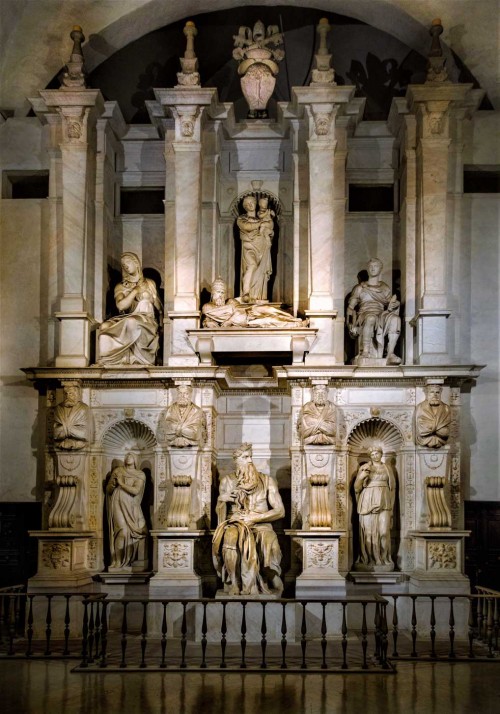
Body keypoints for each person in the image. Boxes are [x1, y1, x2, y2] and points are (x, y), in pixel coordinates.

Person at [212, 443, 284, 596]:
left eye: (251, 457)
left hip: (262, 524)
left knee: (270, 543)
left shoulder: (267, 481)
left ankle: (271, 578)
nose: (250, 460)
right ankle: (234, 583)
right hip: (236, 523)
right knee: (230, 537)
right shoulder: (227, 481)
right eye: (245, 457)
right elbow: (221, 514)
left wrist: (255, 517)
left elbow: (280, 511)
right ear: (236, 461)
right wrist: (222, 499)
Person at [98, 252, 162, 366]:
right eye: (123, 264)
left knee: (132, 323)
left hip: (146, 319)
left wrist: (161, 325)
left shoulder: (150, 283)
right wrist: (135, 290)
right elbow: (121, 306)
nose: (125, 265)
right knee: (104, 327)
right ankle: (110, 360)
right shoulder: (121, 286)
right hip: (126, 317)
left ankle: (135, 358)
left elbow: (159, 309)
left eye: (128, 262)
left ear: (136, 263)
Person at [347, 258, 401, 365]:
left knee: (396, 319)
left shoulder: (384, 288)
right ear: (367, 269)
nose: (373, 268)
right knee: (370, 318)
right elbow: (350, 308)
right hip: (364, 314)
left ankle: (390, 354)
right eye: (371, 266)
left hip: (381, 314)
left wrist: (395, 304)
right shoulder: (359, 288)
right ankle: (365, 352)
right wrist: (349, 324)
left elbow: (390, 303)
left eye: (375, 266)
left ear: (380, 269)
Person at [202, 277, 306, 329]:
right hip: (245, 322)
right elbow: (209, 320)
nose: (220, 295)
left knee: (269, 309)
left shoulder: (230, 301)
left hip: (249, 311)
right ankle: (296, 324)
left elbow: (238, 310)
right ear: (212, 293)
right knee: (270, 320)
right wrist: (207, 323)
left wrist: (229, 320)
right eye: (218, 292)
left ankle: (293, 318)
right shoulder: (207, 307)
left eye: (222, 292)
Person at [354, 445, 396, 570]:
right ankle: (371, 559)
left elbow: (392, 488)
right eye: (372, 454)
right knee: (369, 532)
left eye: (377, 453)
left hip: (385, 501)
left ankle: (384, 558)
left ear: (381, 454)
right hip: (368, 500)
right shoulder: (365, 467)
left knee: (384, 532)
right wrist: (361, 477)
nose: (375, 456)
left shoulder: (388, 468)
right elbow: (357, 488)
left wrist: (392, 508)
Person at [106, 452, 148, 569]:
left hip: (131, 505)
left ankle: (129, 560)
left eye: (131, 456)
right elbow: (108, 490)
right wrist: (113, 484)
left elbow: (135, 491)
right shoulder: (118, 471)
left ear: (135, 459)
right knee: (122, 531)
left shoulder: (140, 474)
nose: (128, 457)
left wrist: (121, 483)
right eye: (127, 455)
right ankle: (118, 560)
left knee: (130, 533)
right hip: (117, 502)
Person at [237, 194, 273, 301]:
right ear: (245, 207)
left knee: (261, 271)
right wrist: (260, 224)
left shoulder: (261, 217)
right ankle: (246, 293)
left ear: (255, 203)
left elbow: (270, 228)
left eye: (251, 202)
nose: (250, 205)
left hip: (262, 247)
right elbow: (246, 226)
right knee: (251, 266)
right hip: (249, 247)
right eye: (247, 204)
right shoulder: (241, 218)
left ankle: (258, 295)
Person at [53, 381, 89, 450]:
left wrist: (64, 429)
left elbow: (84, 433)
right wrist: (73, 430)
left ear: (76, 395)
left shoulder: (83, 408)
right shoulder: (58, 408)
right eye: (65, 394)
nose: (67, 396)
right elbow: (55, 433)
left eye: (70, 394)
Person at [416, 384, 451, 448]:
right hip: (424, 440)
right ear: (427, 394)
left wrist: (429, 428)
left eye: (437, 392)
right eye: (432, 392)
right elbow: (421, 431)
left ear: (440, 394)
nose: (435, 395)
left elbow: (447, 432)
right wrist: (438, 429)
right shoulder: (420, 407)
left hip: (441, 441)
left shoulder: (446, 408)